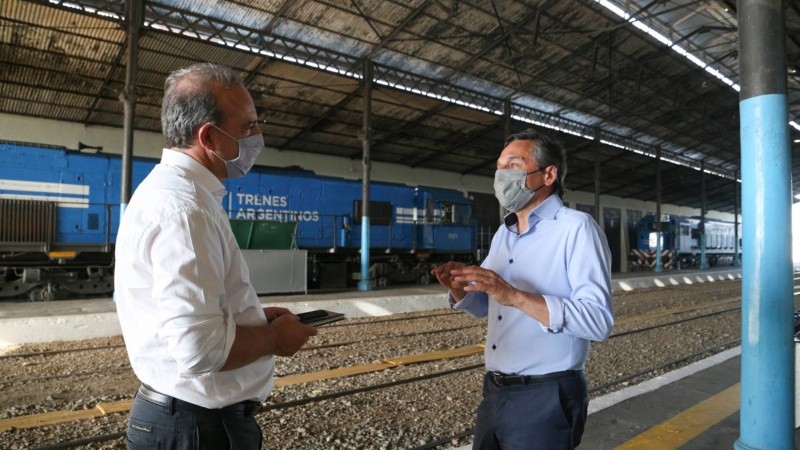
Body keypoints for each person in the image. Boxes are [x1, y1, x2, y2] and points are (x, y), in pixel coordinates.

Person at [114, 62, 317, 450]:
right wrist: (274, 338)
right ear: (208, 136)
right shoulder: (187, 210)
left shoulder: (170, 192)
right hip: (198, 429)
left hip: (186, 420)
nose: (257, 137)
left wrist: (251, 319)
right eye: (247, 128)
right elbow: (199, 349)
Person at [432, 128, 613, 449]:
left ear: (548, 174)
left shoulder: (576, 228)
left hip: (547, 395)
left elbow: (597, 321)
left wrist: (514, 295)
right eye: (500, 167)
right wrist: (460, 290)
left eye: (514, 165)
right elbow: (487, 306)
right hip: (495, 390)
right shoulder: (505, 233)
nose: (502, 175)